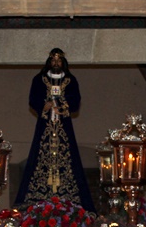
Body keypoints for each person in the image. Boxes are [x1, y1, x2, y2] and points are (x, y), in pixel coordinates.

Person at [14, 48, 95, 212]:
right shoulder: (39, 79)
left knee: (69, 159)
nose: (56, 63)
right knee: (39, 157)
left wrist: (63, 106)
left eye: (59, 60)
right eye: (53, 60)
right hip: (45, 126)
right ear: (49, 62)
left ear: (63, 62)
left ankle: (70, 202)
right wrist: (45, 105)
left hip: (63, 127)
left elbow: (75, 100)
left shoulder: (70, 80)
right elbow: (33, 99)